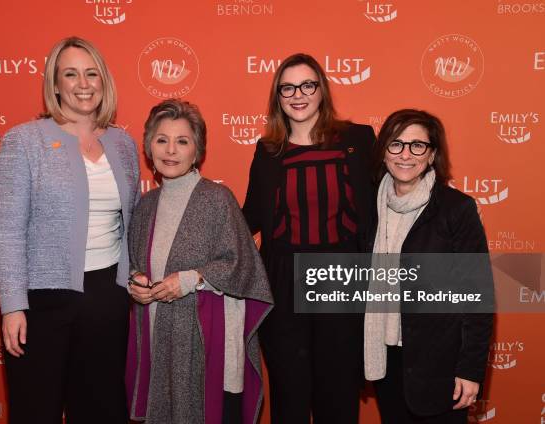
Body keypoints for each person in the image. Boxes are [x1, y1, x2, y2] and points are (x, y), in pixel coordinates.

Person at [0, 36, 139, 424]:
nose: (83, 83)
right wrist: (12, 307)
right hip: (41, 301)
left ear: (103, 81)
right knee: (35, 408)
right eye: (70, 74)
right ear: (55, 84)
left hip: (107, 297)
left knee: (102, 409)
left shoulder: (123, 143)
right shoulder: (23, 141)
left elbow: (133, 223)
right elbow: (7, 231)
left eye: (91, 73)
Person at [242, 53, 376, 423]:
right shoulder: (268, 151)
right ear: (278, 96)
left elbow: (386, 202)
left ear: (322, 90)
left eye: (307, 85)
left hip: (342, 279)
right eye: (287, 87)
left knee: (338, 394)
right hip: (285, 283)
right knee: (290, 395)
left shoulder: (358, 139)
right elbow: (249, 216)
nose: (297, 94)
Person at [125, 99, 273, 424]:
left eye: (182, 141)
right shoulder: (145, 205)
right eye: (162, 140)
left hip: (207, 346)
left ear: (198, 150)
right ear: (149, 147)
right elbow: (136, 264)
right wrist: (135, 283)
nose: (171, 150)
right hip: (158, 339)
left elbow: (244, 267)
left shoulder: (217, 199)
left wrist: (191, 279)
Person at [363, 108, 493, 423]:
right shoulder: (368, 208)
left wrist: (470, 369)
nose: (405, 154)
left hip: (438, 362)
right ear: (384, 152)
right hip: (385, 358)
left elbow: (477, 296)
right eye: (396, 144)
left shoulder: (456, 209)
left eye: (417, 145)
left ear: (432, 154)